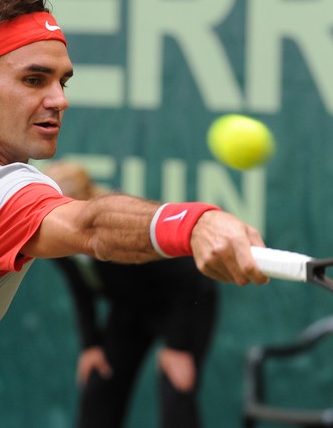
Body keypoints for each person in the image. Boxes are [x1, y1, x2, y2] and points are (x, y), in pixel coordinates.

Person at [0, 0, 267, 427]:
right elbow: (90, 226)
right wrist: (194, 224)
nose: (59, 100)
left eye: (62, 82)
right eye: (34, 80)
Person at [45, 161, 218, 428]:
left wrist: (179, 346)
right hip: (129, 312)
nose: (53, 218)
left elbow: (194, 278)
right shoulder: (52, 230)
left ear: (84, 203)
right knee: (100, 382)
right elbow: (79, 286)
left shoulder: (122, 226)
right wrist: (90, 345)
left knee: (176, 388)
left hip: (181, 307)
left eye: (61, 210)